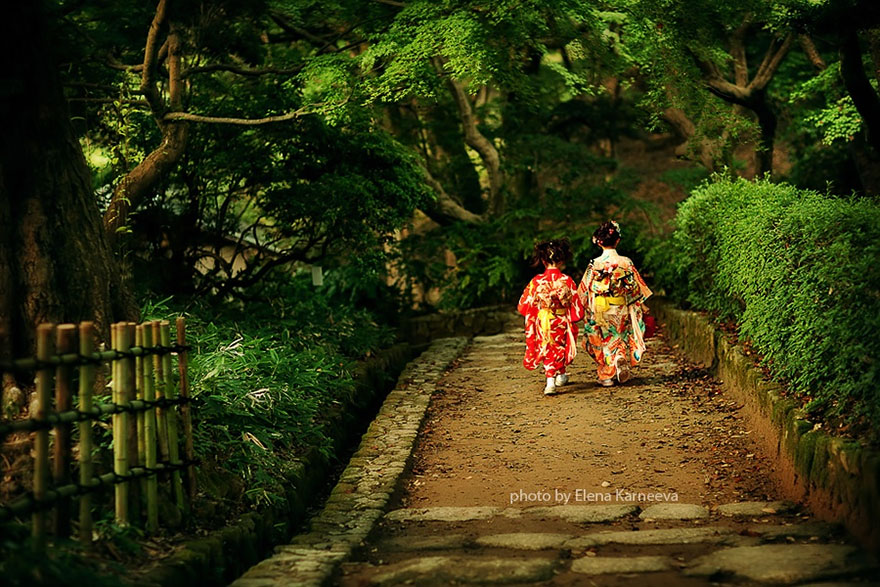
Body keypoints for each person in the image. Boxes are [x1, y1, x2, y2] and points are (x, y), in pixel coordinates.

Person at [578, 221, 652, 386]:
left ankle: (606, 376)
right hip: (620, 307)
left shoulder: (594, 264)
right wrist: (641, 305)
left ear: (599, 242)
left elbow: (584, 289)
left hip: (599, 307)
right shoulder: (626, 262)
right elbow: (636, 288)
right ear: (617, 240)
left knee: (601, 339)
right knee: (618, 336)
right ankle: (619, 357)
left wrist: (582, 307)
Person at [518, 239, 585, 396]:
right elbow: (577, 308)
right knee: (559, 346)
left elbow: (523, 305)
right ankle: (551, 381)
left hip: (543, 320)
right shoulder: (567, 280)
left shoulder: (536, 281)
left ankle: (557, 377)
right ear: (561, 260)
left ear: (542, 260)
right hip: (560, 320)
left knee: (548, 347)